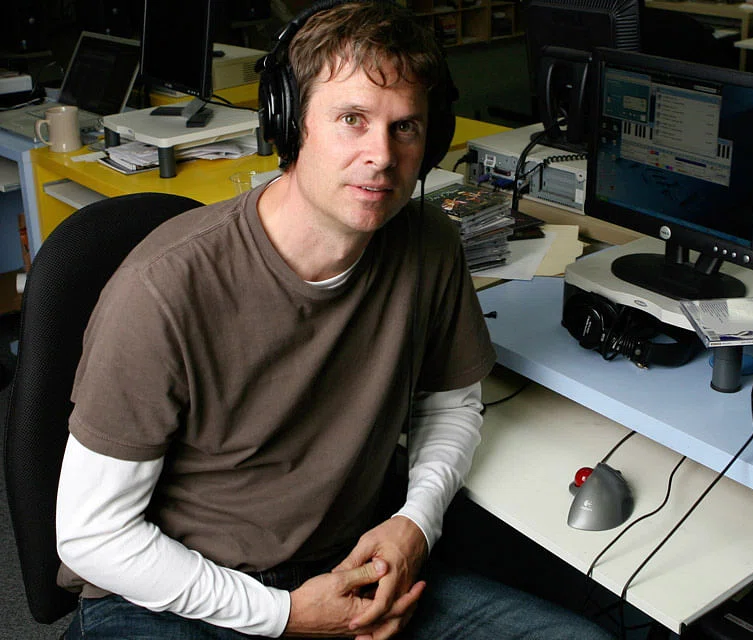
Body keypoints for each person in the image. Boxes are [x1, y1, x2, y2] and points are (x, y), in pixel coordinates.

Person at [55, 2, 614, 639]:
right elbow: (92, 536)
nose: (382, 155)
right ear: (289, 123)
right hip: (174, 593)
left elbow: (450, 405)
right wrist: (287, 616)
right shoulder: (163, 289)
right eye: (352, 119)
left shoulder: (429, 242)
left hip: (348, 568)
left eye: (406, 127)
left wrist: (415, 524)